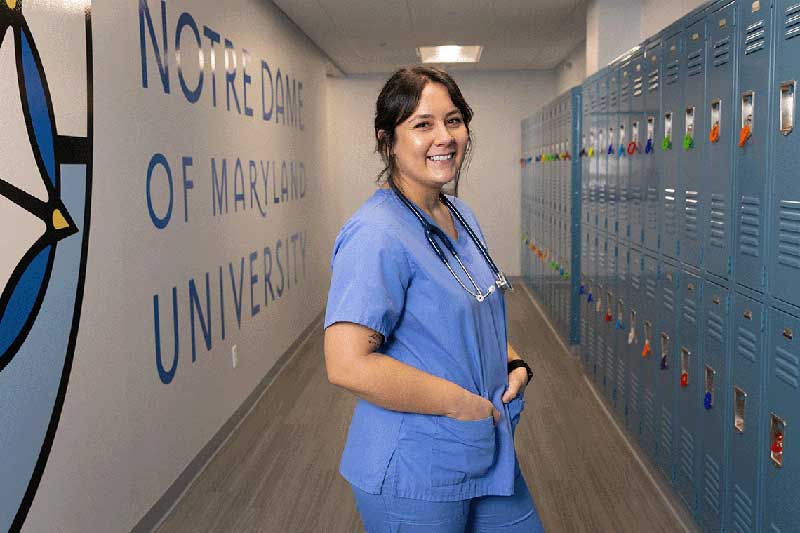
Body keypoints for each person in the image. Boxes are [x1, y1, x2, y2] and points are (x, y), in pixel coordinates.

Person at [323, 66, 544, 532]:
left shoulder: (457, 212)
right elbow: (346, 363)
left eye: (454, 120)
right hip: (416, 465)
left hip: (485, 448)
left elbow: (467, 309)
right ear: (388, 140)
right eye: (422, 124)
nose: (444, 136)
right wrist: (461, 406)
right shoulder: (376, 233)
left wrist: (514, 362)